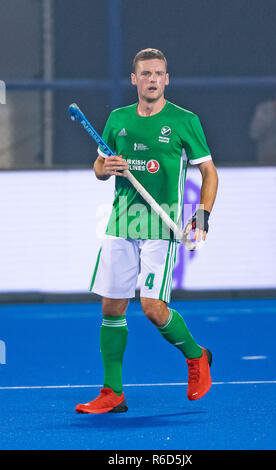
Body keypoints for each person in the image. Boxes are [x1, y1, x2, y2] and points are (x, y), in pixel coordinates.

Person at [75, 48, 218, 414]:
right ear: (134, 79)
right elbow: (97, 167)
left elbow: (209, 173)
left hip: (161, 225)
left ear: (167, 79)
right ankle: (113, 393)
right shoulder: (118, 119)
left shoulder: (185, 121)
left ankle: (197, 356)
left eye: (159, 73)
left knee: (153, 309)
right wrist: (106, 166)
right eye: (146, 73)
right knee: (111, 307)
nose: (153, 79)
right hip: (122, 223)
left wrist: (201, 216)